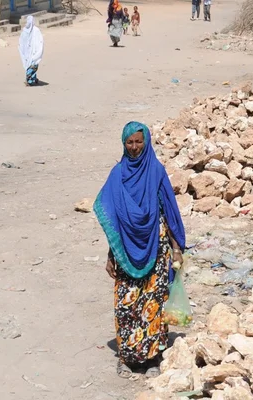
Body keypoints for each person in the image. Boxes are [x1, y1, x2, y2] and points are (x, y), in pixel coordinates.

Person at [94, 121, 186, 379]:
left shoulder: (155, 171)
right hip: (126, 251)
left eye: (138, 142)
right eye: (129, 142)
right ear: (123, 143)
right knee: (127, 305)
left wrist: (176, 249)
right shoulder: (117, 174)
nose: (134, 147)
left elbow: (168, 210)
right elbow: (114, 220)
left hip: (156, 247)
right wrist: (111, 255)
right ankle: (127, 358)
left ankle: (153, 357)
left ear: (146, 142)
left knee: (153, 303)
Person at [19, 16, 44, 86]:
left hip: (31, 52)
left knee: (31, 65)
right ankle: (29, 80)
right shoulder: (32, 30)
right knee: (32, 66)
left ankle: (34, 78)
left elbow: (39, 40)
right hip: (30, 51)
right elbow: (40, 41)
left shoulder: (33, 30)